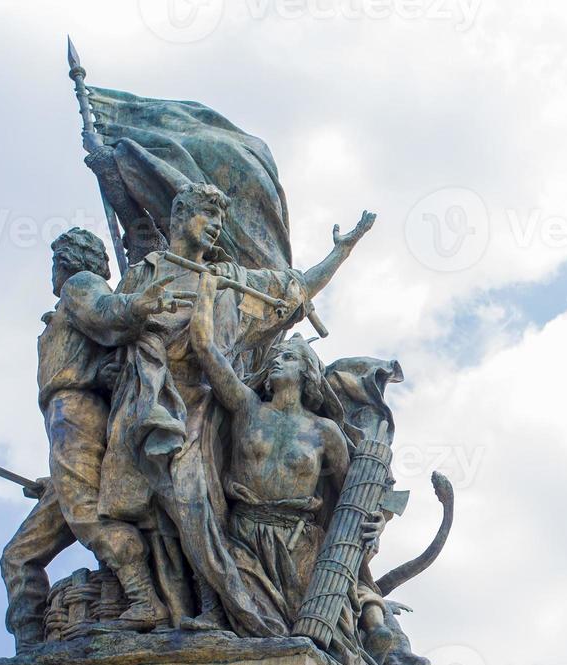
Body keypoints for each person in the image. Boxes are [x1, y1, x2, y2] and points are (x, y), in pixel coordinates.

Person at [99, 183, 375, 634]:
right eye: (208, 218)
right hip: (143, 404)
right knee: (145, 516)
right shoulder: (143, 275)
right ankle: (164, 606)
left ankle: (216, 606)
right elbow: (108, 323)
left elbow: (295, 289)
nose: (215, 230)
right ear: (181, 214)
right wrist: (132, 318)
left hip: (209, 409)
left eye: (221, 222)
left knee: (194, 505)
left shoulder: (233, 281)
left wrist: (340, 254)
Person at [0, 229, 181, 651]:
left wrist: (135, 305)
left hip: (74, 413)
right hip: (69, 421)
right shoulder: (66, 307)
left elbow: (105, 312)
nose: (54, 271)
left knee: (87, 514)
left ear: (67, 262)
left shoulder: (79, 285)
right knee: (19, 555)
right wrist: (54, 484)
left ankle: (144, 599)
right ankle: (29, 650)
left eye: (54, 262)